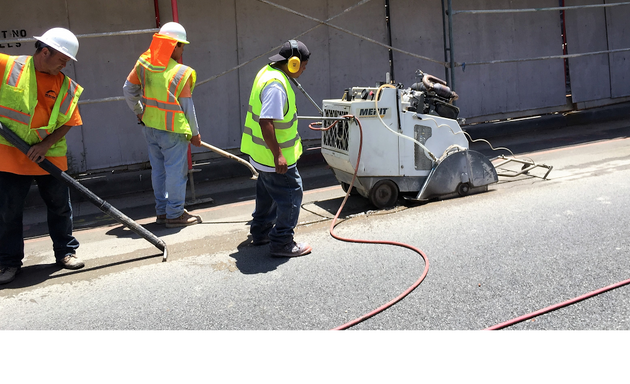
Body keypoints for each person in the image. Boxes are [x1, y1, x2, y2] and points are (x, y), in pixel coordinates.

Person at [0, 27, 85, 285]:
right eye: (62, 59)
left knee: (60, 208)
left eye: (68, 61)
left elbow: (70, 121)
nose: (64, 65)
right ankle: (8, 262)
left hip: (50, 156)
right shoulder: (8, 66)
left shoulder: (65, 85)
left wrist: (46, 145)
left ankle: (65, 252)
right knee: (8, 212)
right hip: (11, 154)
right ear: (44, 51)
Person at [123, 22, 203, 228]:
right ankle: (175, 214)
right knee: (176, 173)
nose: (183, 50)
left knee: (158, 171)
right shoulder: (180, 72)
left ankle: (162, 212)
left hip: (150, 128)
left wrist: (139, 111)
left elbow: (128, 89)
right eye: (181, 46)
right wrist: (195, 134)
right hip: (173, 132)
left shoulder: (144, 63)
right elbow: (187, 107)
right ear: (173, 45)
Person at [241, 40, 313, 258]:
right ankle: (282, 242)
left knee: (266, 195)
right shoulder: (276, 85)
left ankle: (261, 232)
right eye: (303, 65)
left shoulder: (267, 72)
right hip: (275, 158)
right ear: (292, 63)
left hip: (261, 155)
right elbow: (266, 122)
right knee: (291, 195)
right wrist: (279, 155)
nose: (304, 69)